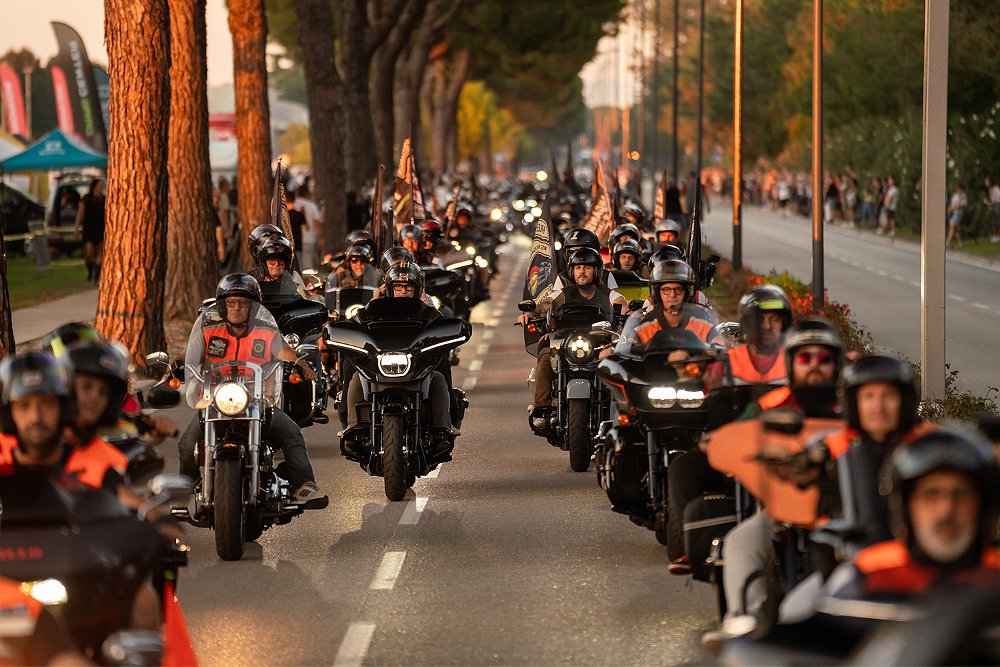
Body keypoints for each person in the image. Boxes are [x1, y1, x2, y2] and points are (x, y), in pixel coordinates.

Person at [179, 274, 327, 509]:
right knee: (188, 442)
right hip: (214, 401)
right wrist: (178, 367)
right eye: (231, 302)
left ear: (253, 306)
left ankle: (305, 484)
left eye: (243, 302)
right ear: (222, 305)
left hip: (258, 401)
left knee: (291, 432)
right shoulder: (209, 331)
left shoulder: (265, 332)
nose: (237, 307)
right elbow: (190, 358)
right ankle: (182, 489)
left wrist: (301, 363)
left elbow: (284, 351)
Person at [827, 427, 1000, 599]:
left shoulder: (995, 577)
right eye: (930, 494)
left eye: (961, 494)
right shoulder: (866, 575)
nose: (946, 510)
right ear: (904, 506)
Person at [340, 263, 457, 458]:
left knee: (438, 373)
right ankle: (352, 428)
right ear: (388, 288)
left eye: (409, 287)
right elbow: (357, 324)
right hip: (381, 363)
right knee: (354, 373)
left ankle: (442, 428)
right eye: (398, 287)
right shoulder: (376, 306)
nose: (403, 291)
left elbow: (440, 324)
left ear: (417, 289)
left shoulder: (426, 306)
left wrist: (424, 302)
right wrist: (373, 301)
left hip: (416, 363)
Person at [519, 248, 629, 429]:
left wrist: (631, 315)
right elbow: (546, 305)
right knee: (545, 354)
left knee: (620, 361)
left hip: (599, 343)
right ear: (572, 271)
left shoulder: (609, 294)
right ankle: (542, 409)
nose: (582, 272)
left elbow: (623, 306)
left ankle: (623, 410)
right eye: (578, 268)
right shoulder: (563, 293)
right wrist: (531, 313)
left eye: (587, 267)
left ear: (596, 271)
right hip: (565, 341)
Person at [618, 259, 719, 349]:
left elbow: (719, 343)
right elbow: (629, 348)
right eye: (666, 289)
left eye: (678, 289)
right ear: (657, 293)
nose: (672, 295)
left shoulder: (700, 324)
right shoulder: (647, 326)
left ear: (687, 293)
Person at [728, 286, 792, 386]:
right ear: (747, 324)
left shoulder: (795, 362)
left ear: (784, 324)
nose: (767, 326)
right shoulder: (725, 362)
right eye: (759, 319)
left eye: (775, 319)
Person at [75, 178, 105, 284]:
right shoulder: (86, 199)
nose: (101, 187)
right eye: (99, 185)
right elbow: (80, 213)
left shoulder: (104, 199)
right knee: (89, 253)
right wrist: (77, 227)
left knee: (100, 252)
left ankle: (96, 276)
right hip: (89, 228)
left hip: (101, 228)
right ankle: (90, 271)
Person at [294, 183, 321, 269]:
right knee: (308, 267)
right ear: (307, 193)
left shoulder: (293, 204)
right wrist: (320, 239)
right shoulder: (312, 206)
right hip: (309, 239)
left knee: (296, 267)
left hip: (294, 239)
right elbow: (317, 223)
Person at [946, 182, 966, 249]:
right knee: (954, 228)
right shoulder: (955, 195)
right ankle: (960, 243)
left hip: (958, 213)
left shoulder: (963, 195)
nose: (957, 189)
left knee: (953, 227)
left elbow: (963, 205)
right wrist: (949, 209)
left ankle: (948, 242)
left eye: (958, 188)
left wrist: (955, 208)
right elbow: (952, 204)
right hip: (953, 213)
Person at [986, 177, 1000, 243]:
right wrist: (988, 200)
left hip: (997, 205)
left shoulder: (996, 188)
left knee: (997, 221)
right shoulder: (990, 189)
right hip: (993, 205)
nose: (986, 183)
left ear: (990, 182)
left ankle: (998, 236)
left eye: (987, 182)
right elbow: (991, 199)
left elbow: (999, 197)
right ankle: (995, 236)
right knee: (993, 221)